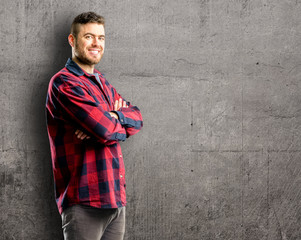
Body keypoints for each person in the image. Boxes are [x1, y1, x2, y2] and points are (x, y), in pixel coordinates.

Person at [46, 12, 143, 240]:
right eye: (88, 37)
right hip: (84, 201)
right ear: (72, 41)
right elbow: (106, 130)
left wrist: (111, 115)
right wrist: (111, 122)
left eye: (101, 38)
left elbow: (137, 117)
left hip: (115, 199)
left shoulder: (102, 82)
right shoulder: (64, 83)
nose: (96, 43)